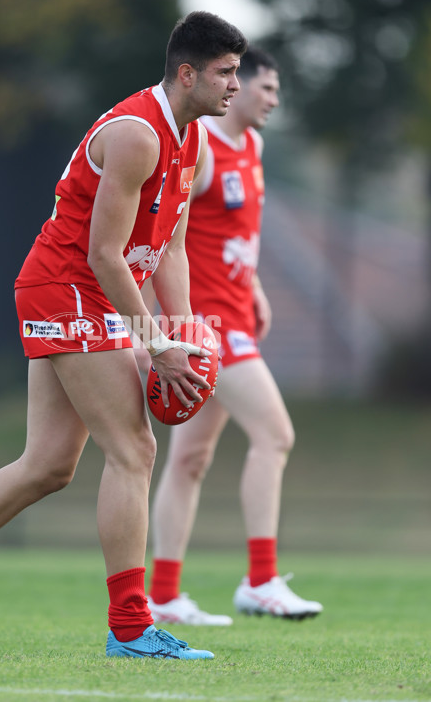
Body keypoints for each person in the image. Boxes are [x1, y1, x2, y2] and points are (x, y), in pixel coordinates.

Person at [0, 11, 248, 659]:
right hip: (70, 288)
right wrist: (156, 343)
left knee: (45, 467)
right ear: (188, 74)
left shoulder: (193, 140)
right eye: (226, 73)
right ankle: (130, 627)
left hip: (86, 292)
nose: (235, 86)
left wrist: (182, 332)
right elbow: (103, 255)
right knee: (134, 449)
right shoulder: (137, 134)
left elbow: (172, 248)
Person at [146, 48, 323, 625]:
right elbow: (167, 238)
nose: (273, 99)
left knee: (190, 459)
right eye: (265, 87)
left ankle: (164, 595)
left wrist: (257, 287)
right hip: (210, 326)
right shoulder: (201, 151)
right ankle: (261, 581)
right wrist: (166, 324)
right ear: (235, 84)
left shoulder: (255, 147)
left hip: (238, 315)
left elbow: (235, 234)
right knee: (276, 435)